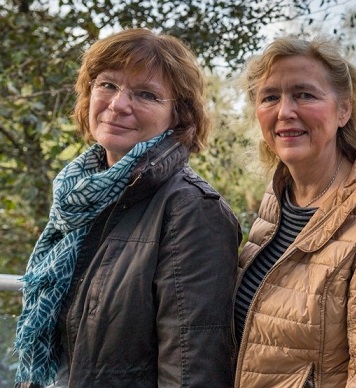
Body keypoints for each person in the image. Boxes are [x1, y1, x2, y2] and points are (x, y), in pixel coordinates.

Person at [13, 28, 241, 387]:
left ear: (178, 116)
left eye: (146, 94)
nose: (118, 105)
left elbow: (190, 370)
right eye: (107, 85)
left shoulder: (192, 210)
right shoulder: (80, 197)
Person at [232, 35, 356, 387]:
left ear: (344, 110)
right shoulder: (278, 198)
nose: (285, 111)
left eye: (304, 94)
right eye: (270, 97)